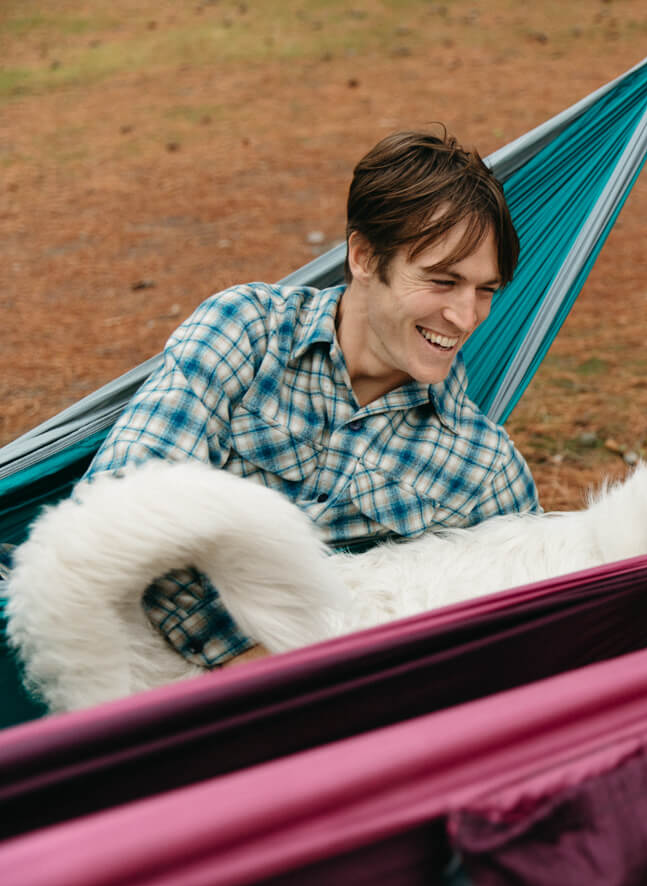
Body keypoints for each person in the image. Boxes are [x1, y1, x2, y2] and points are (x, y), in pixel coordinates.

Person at [80, 127, 540, 668]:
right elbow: (116, 507)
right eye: (442, 282)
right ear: (365, 257)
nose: (466, 318)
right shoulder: (247, 332)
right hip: (126, 675)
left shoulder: (482, 469)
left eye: (486, 290)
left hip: (323, 721)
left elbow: (536, 616)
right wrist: (245, 658)